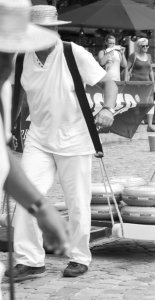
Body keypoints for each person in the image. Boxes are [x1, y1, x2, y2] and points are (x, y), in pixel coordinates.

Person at [6, 5, 118, 279]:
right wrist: (6, 129)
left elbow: (109, 83)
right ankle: (31, 260)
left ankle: (79, 256)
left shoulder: (72, 52)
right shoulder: (22, 58)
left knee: (77, 203)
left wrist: (108, 109)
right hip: (39, 138)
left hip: (75, 138)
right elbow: (18, 95)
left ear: (55, 29)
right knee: (25, 197)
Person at [0, 0, 69, 283]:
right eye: (4, 51)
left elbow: (3, 163)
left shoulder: (4, 83)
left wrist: (40, 208)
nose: (8, 62)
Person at [126, 37, 155, 132]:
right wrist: (126, 82)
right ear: (139, 46)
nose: (146, 47)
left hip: (147, 85)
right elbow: (127, 69)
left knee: (151, 103)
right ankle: (136, 125)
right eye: (144, 46)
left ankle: (150, 125)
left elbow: (150, 71)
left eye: (147, 45)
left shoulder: (149, 56)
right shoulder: (133, 55)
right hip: (135, 84)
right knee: (137, 104)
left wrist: (153, 83)